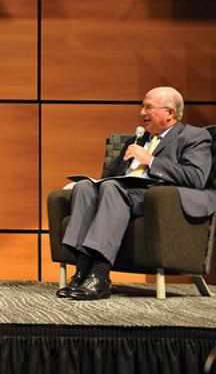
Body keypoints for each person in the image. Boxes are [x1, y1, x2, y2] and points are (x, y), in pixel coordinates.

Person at [58, 86, 215, 300]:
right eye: (143, 107)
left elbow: (196, 177)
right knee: (86, 188)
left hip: (157, 196)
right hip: (121, 191)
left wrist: (150, 160)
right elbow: (111, 176)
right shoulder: (139, 138)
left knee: (112, 189)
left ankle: (100, 275)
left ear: (169, 113)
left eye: (148, 107)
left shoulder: (194, 136)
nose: (142, 113)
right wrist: (89, 183)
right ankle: (83, 270)